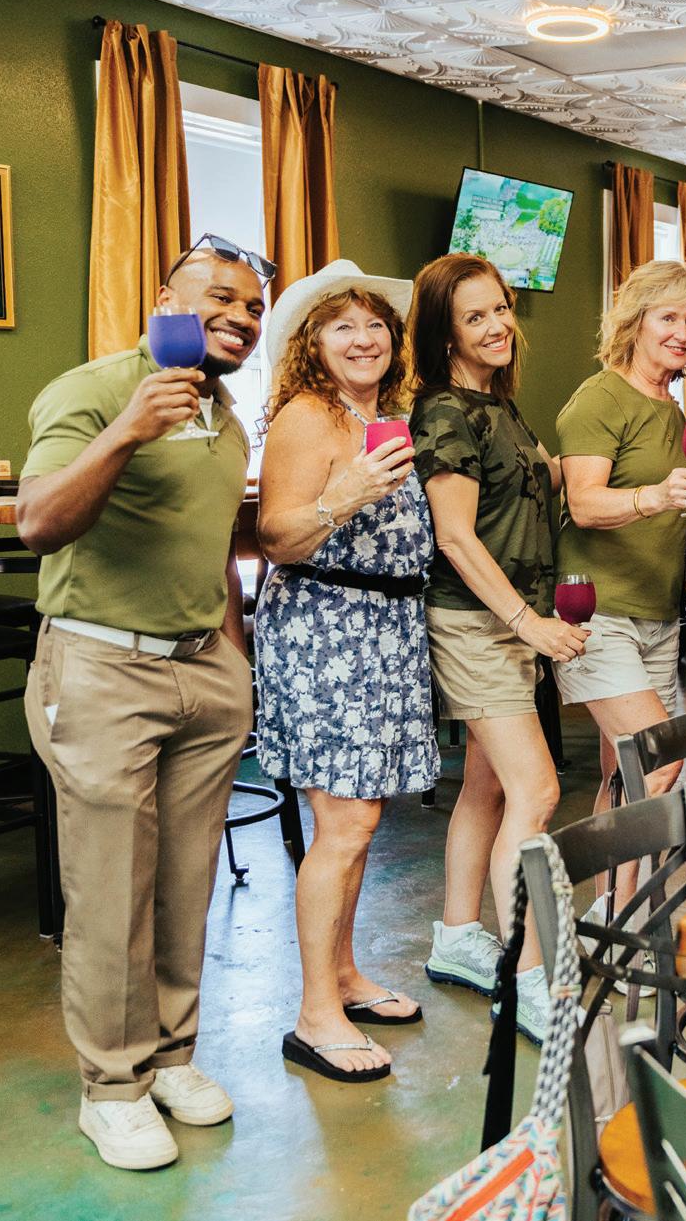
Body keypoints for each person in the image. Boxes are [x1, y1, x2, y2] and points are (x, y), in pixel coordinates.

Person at [17, 234, 272, 1170]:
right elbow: (38, 520)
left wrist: (235, 661)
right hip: (102, 667)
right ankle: (112, 1086)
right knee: (110, 889)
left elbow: (215, 549)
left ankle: (169, 1057)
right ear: (164, 302)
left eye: (253, 307)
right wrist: (127, 429)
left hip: (202, 670)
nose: (239, 316)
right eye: (219, 297)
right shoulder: (91, 391)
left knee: (184, 881)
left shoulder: (226, 418)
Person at [252, 260, 438, 1083]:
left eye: (375, 326)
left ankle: (346, 974)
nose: (364, 339)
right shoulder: (308, 415)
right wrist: (348, 492)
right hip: (327, 628)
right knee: (345, 825)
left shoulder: (381, 414)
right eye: (343, 326)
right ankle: (314, 1015)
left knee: (360, 822)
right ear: (312, 342)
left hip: (384, 628)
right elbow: (276, 536)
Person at [408, 253, 586, 1042]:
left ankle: (457, 935)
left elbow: (540, 484)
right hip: (477, 623)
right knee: (537, 791)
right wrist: (526, 621)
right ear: (445, 333)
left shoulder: (498, 406)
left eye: (501, 308)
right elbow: (453, 535)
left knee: (486, 785)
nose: (496, 325)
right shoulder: (446, 411)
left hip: (508, 620)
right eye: (474, 316)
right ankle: (527, 975)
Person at [554, 261, 686, 818]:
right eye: (668, 317)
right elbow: (583, 503)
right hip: (598, 614)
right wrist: (658, 496)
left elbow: (674, 504)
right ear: (634, 321)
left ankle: (611, 881)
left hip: (657, 614)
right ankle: (608, 879)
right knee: (660, 760)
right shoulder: (601, 397)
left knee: (622, 775)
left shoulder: (672, 408)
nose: (683, 332)